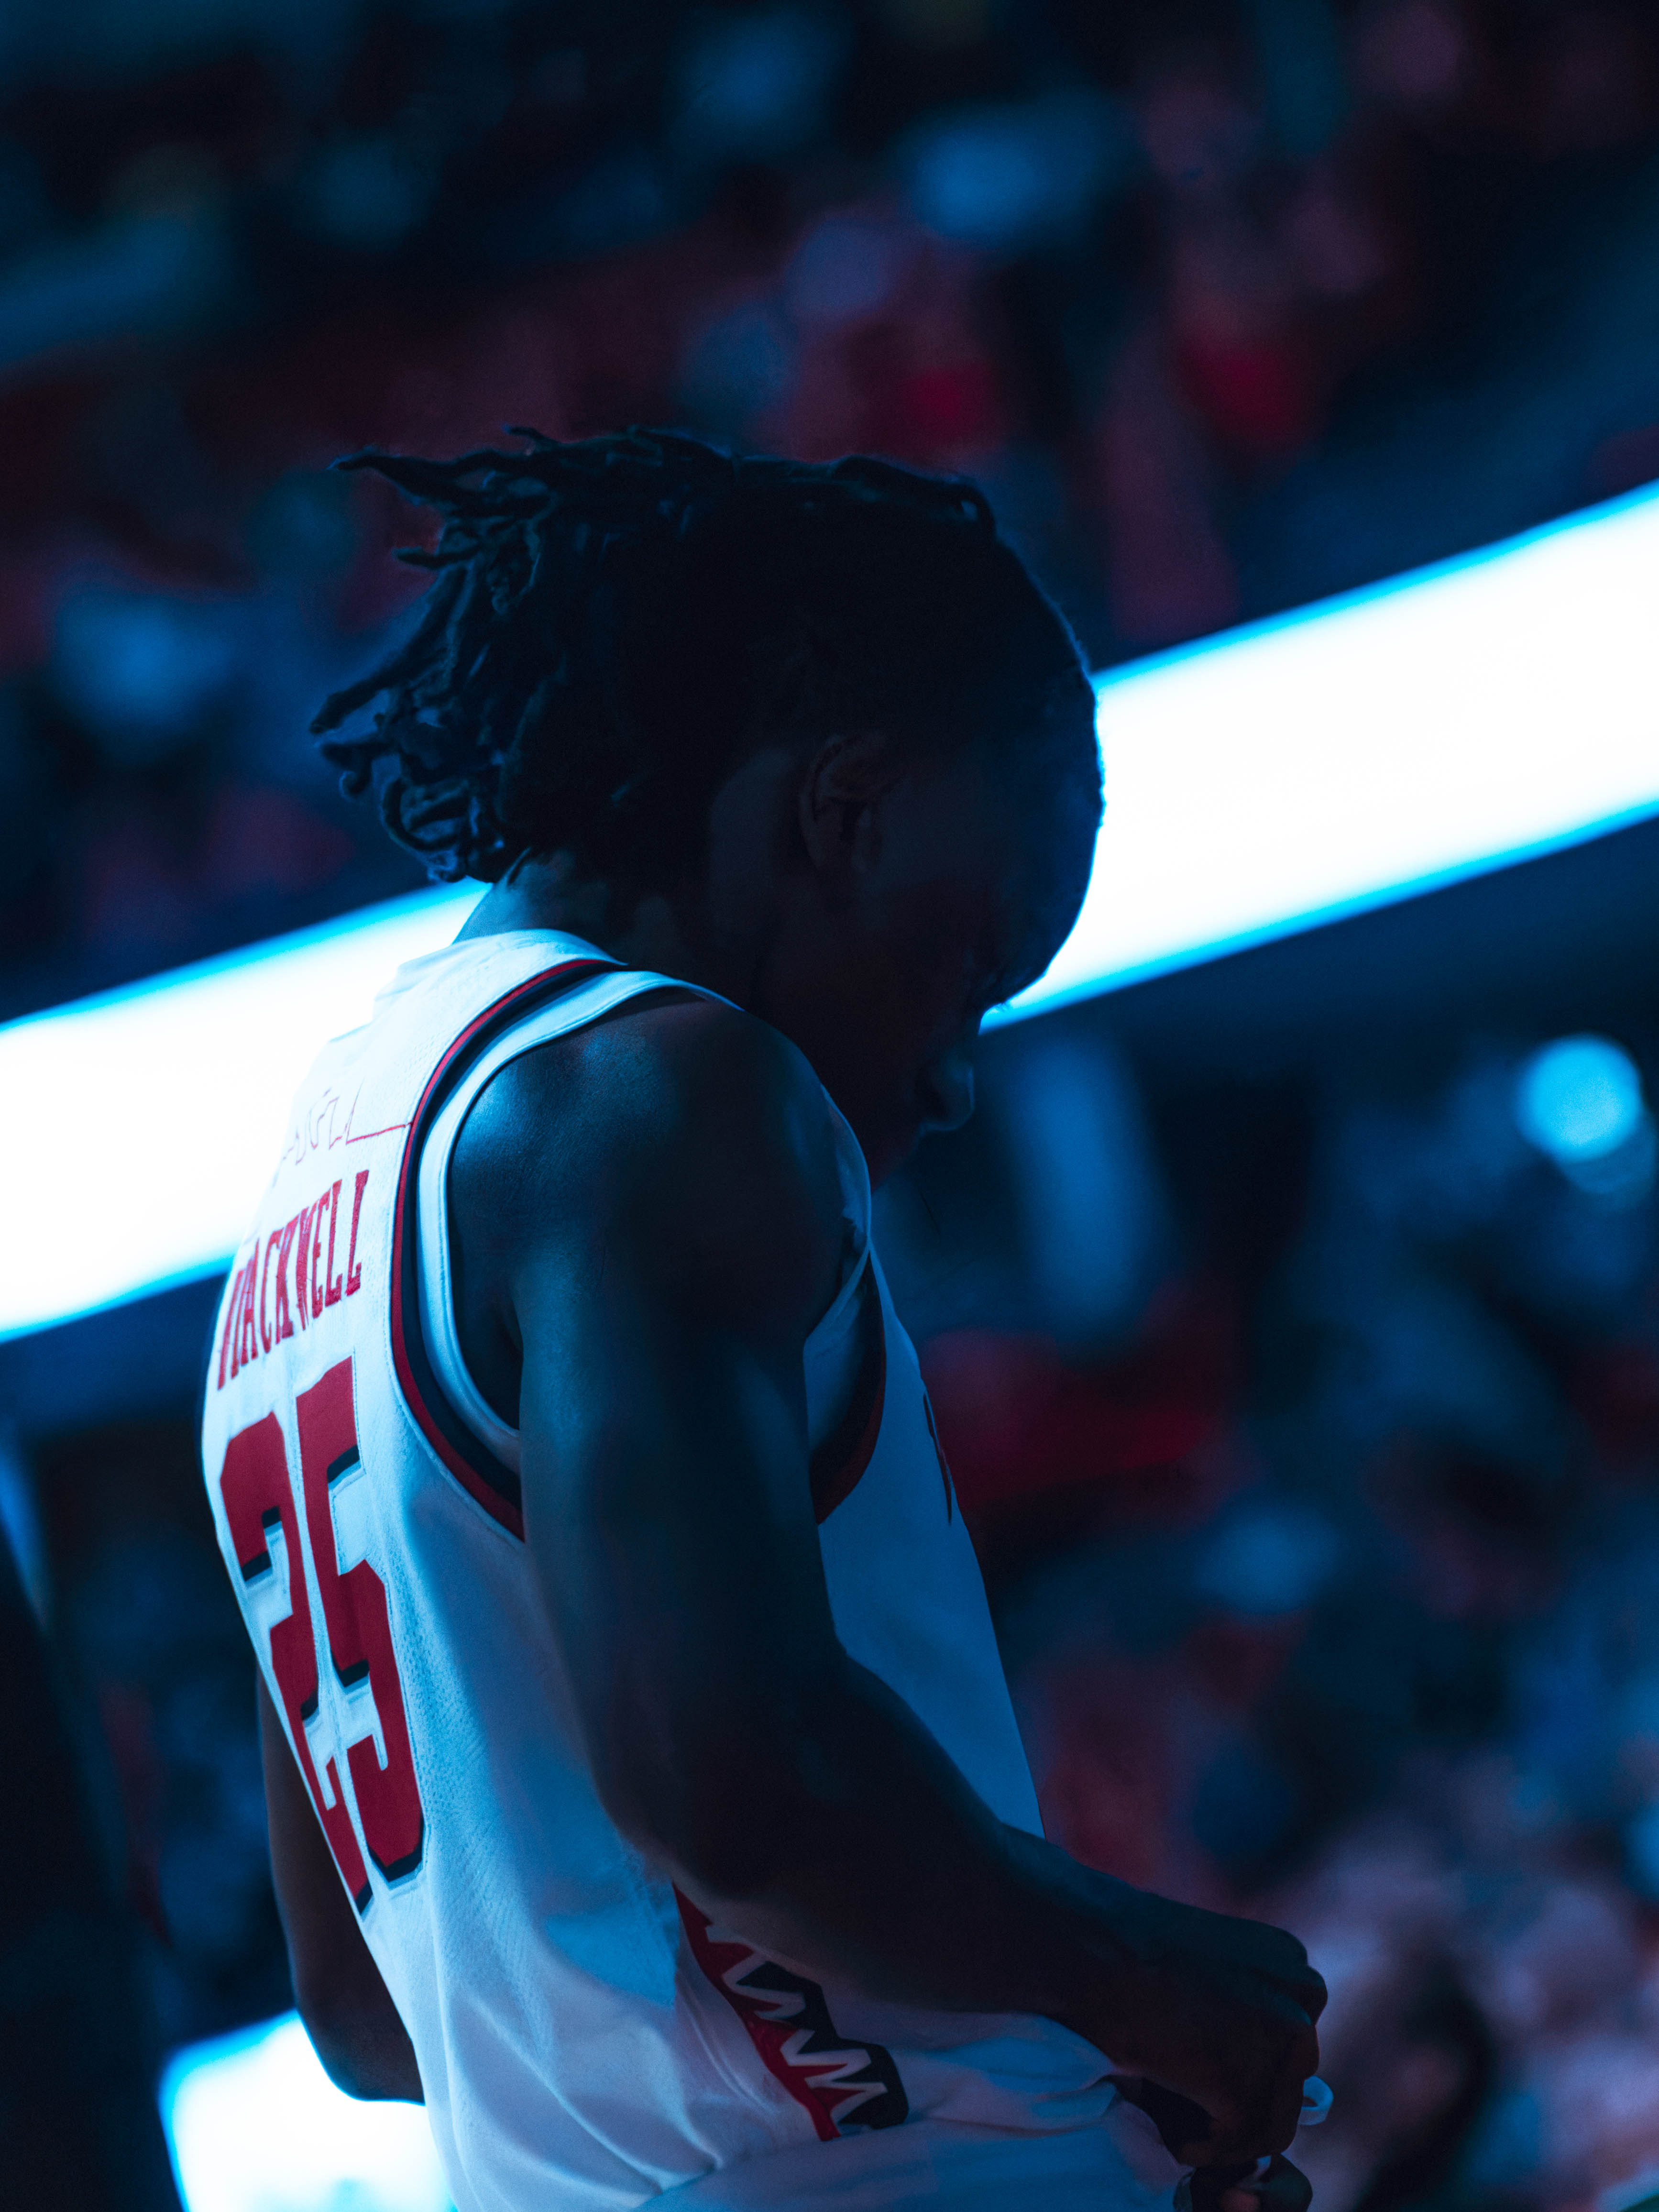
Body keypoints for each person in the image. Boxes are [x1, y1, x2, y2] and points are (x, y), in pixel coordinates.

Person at [199, 428, 1324, 2212]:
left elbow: (367, 2006)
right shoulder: (664, 1094)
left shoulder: (315, 1196)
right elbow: (741, 1786)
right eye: (974, 963)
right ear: (845, 809)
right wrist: (1148, 1983)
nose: (958, 1077)